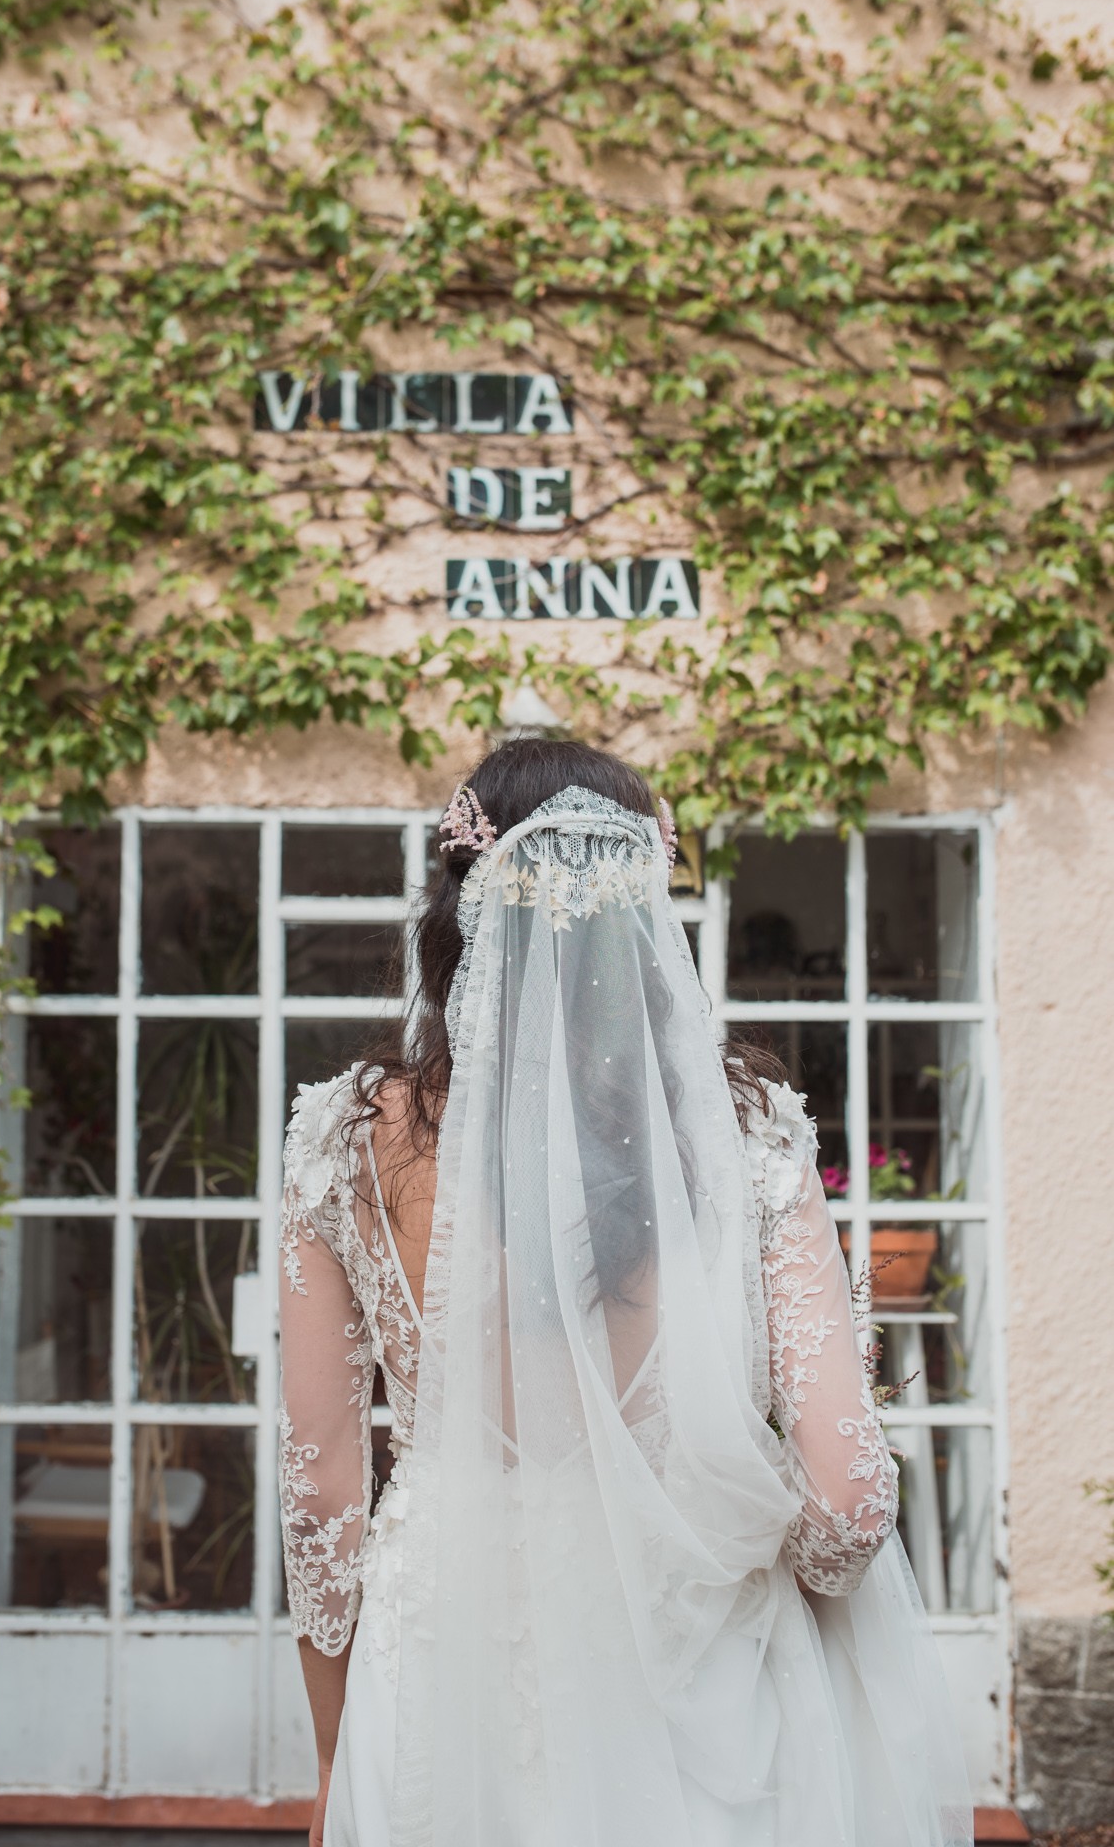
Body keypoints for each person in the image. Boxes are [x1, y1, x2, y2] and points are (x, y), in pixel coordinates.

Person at [278, 740, 970, 1847]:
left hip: (442, 1678)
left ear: (455, 911)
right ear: (645, 916)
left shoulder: (343, 1142)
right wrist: (739, 1530)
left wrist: (327, 1751)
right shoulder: (748, 1139)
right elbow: (850, 1504)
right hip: (704, 1679)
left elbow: (321, 1497)